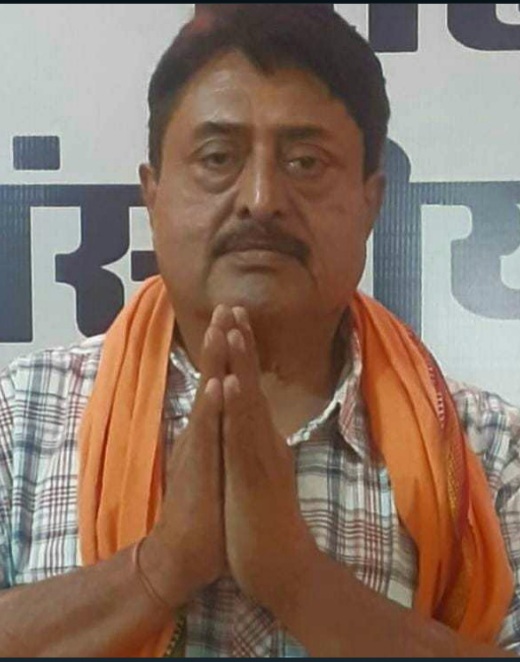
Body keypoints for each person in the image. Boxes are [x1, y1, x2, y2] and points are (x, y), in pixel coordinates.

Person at [0, 4, 519, 657]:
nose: (262, 198)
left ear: (371, 203)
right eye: (218, 157)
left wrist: (299, 582)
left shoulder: (486, 450)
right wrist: (159, 568)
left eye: (306, 162)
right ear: (152, 196)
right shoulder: (23, 415)